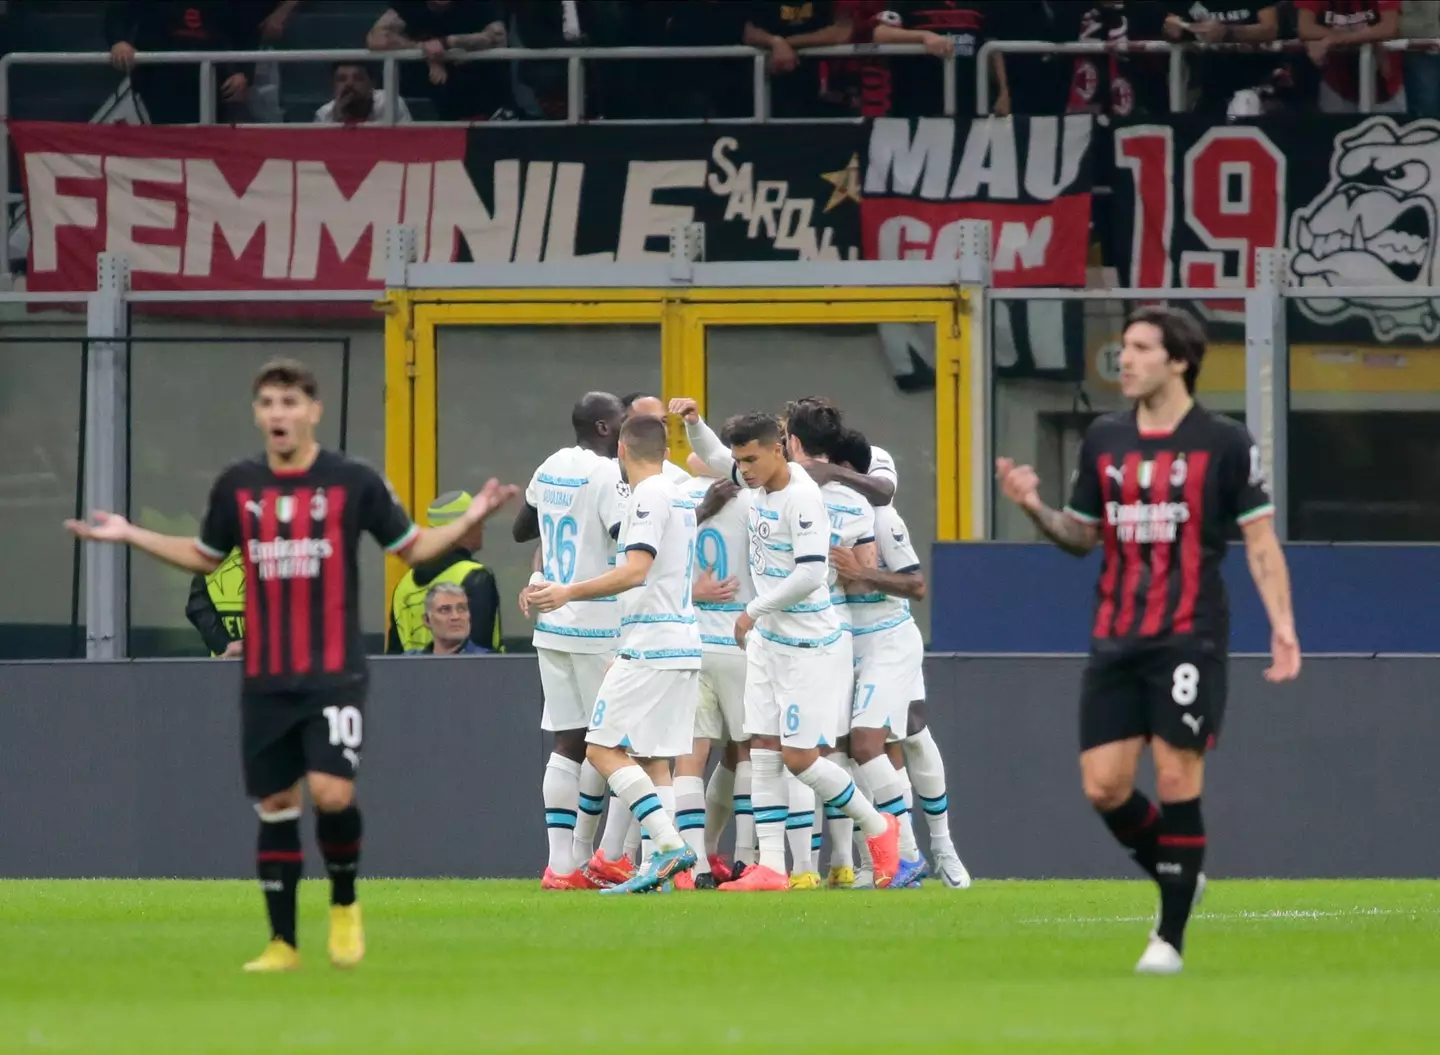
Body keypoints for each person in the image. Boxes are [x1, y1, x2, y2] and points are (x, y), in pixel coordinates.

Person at [63, 358, 518, 972]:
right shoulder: (237, 486)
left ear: (313, 411)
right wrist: (128, 534)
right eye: (269, 404)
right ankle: (282, 942)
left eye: (290, 403)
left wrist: (468, 521)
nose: (279, 414)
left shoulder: (352, 480)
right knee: (277, 802)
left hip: (332, 671)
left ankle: (344, 904)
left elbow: (411, 549)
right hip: (265, 676)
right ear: (258, 414)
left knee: (331, 792)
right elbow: (202, 557)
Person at [994, 306, 1301, 974]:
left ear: (1178, 360)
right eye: (1125, 346)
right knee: (1103, 786)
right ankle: (1181, 871)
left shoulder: (1223, 441)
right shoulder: (1105, 439)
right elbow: (1082, 536)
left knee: (1173, 773)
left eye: (1140, 348)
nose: (1124, 358)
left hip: (1189, 633)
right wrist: (1031, 505)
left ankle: (1170, 937)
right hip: (1116, 635)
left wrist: (1283, 624)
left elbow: (1258, 539)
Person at [681, 410, 901, 891]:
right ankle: (773, 869)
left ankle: (880, 828)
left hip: (807, 645)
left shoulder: (801, 498)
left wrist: (751, 611)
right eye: (742, 461)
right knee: (762, 750)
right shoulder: (755, 477)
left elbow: (808, 575)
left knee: (800, 759)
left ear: (780, 447)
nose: (746, 470)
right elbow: (718, 457)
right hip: (769, 642)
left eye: (753, 459)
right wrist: (694, 423)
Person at [528, 414, 702, 895]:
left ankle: (667, 846)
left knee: (602, 746)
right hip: (679, 641)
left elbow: (634, 570)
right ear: (665, 453)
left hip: (650, 643)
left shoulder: (647, 494)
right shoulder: (679, 493)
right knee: (653, 758)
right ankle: (669, 871)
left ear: (622, 450)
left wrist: (568, 592)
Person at [828, 428, 972, 890]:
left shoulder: (882, 517)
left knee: (904, 733)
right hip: (845, 641)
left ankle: (938, 848)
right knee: (862, 747)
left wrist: (862, 572)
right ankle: (890, 859)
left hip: (888, 637)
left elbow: (917, 585)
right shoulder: (814, 509)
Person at [513, 392, 628, 890]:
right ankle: (609, 857)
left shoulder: (552, 465)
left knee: (568, 740)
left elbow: (524, 528)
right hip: (598, 624)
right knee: (624, 741)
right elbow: (630, 539)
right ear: (604, 428)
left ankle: (562, 865)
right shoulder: (606, 476)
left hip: (551, 624)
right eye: (622, 422)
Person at [780, 401, 876, 891]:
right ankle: (841, 860)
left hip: (795, 634)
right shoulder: (856, 504)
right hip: (841, 632)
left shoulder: (780, 494)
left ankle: (799, 869)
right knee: (831, 748)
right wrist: (846, 569)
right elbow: (863, 578)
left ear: (792, 442)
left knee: (792, 750)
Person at [105, 0, 259, 125]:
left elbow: (247, 31)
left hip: (217, 84)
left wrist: (243, 72)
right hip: (159, 81)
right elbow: (117, 15)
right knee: (167, 142)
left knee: (212, 143)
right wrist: (119, 41)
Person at [387, 490, 501, 654]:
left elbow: (393, 656)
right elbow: (478, 652)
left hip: (414, 677)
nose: (483, 527)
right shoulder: (476, 576)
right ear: (462, 528)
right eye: (478, 521)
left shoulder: (404, 585)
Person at [366, 0, 514, 120]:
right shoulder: (409, 5)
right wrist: (423, 47)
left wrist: (447, 43)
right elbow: (375, 38)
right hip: (428, 96)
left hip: (483, 97)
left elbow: (499, 38)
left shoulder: (480, 4)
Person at [872, 0, 1012, 117]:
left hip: (971, 101)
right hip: (917, 99)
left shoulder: (980, 5)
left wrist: (1003, 92)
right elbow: (880, 34)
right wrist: (924, 36)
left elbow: (991, 46)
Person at [1164, 2, 1281, 115]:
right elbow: (1173, 24)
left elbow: (1270, 29)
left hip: (1257, 82)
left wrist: (1227, 32)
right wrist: (1171, 30)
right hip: (1210, 86)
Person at [1297, 0, 1404, 113]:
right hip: (1336, 85)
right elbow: (1305, 28)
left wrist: (1336, 39)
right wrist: (1366, 36)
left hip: (1386, 86)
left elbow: (1390, 27)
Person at [186, 547, 245, 657]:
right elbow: (198, 607)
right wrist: (225, 645)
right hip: (223, 662)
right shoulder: (212, 558)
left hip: (269, 663)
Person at [315, 62, 414, 124]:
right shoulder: (324, 114)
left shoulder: (390, 103)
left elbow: (407, 143)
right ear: (334, 86)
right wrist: (336, 124)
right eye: (341, 79)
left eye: (358, 78)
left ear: (372, 83)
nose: (349, 84)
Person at [405, 582, 488, 655]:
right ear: (427, 620)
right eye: (445, 610)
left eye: (461, 608)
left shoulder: (490, 662)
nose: (456, 617)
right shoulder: (408, 663)